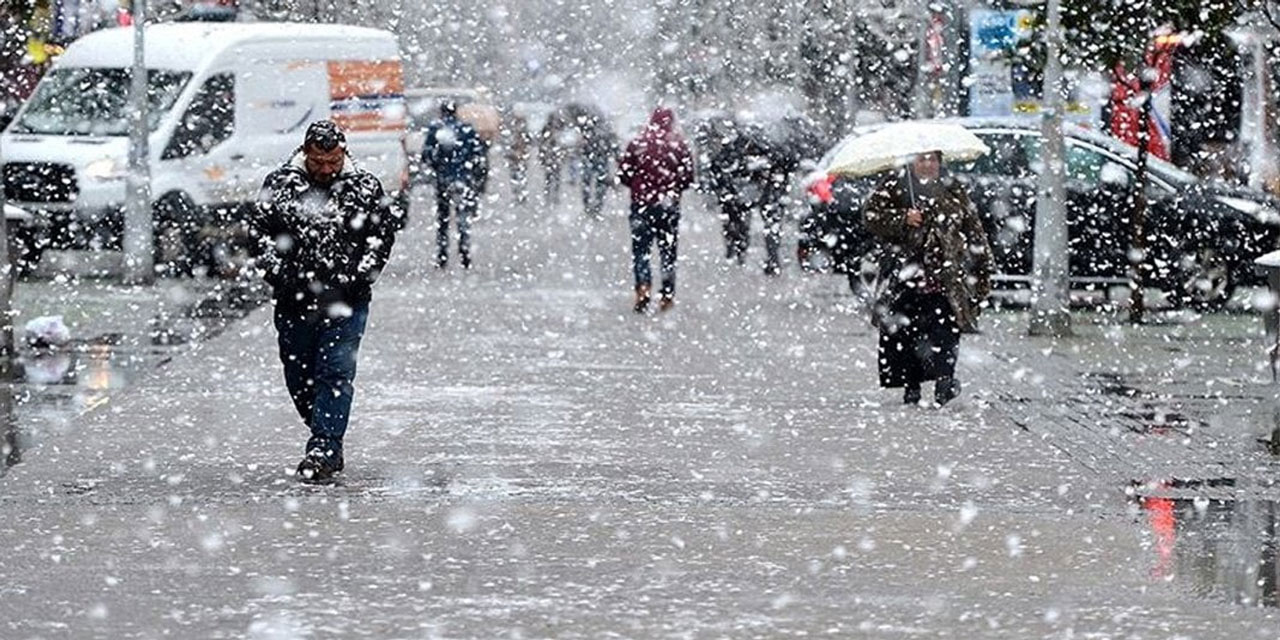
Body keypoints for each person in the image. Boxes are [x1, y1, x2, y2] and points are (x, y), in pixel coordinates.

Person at [251, 120, 404, 482]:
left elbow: (380, 238)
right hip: (295, 301)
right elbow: (259, 235)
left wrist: (358, 277)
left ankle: (324, 446)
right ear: (306, 154)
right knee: (299, 376)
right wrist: (280, 276)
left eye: (332, 162)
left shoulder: (365, 188)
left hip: (346, 301)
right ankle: (323, 427)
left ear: (343, 154)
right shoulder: (279, 185)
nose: (325, 170)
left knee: (335, 372)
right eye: (318, 162)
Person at [863, 151, 992, 406]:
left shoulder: (952, 189)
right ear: (912, 162)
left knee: (945, 331)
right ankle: (912, 385)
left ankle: (945, 381)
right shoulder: (895, 185)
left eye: (932, 159)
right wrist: (903, 219)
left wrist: (981, 268)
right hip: (905, 275)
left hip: (944, 277)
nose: (927, 164)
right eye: (922, 159)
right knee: (906, 332)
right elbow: (871, 217)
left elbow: (973, 229)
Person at [617, 107, 695, 313]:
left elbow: (624, 174)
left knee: (641, 250)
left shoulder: (638, 143)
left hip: (642, 204)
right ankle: (667, 294)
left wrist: (639, 187)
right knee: (668, 251)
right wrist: (672, 189)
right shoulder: (678, 146)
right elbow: (687, 177)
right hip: (668, 206)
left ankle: (643, 287)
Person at [423, 101, 484, 269]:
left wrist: (437, 167)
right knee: (462, 217)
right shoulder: (467, 130)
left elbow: (427, 154)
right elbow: (477, 154)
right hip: (463, 179)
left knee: (443, 219)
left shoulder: (436, 129)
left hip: (443, 180)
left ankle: (442, 255)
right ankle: (464, 253)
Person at [505, 114, 533, 204]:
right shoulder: (512, 133)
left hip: (520, 159)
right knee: (515, 177)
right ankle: (517, 194)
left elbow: (529, 144)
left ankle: (521, 194)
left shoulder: (523, 134)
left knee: (520, 177)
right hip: (515, 160)